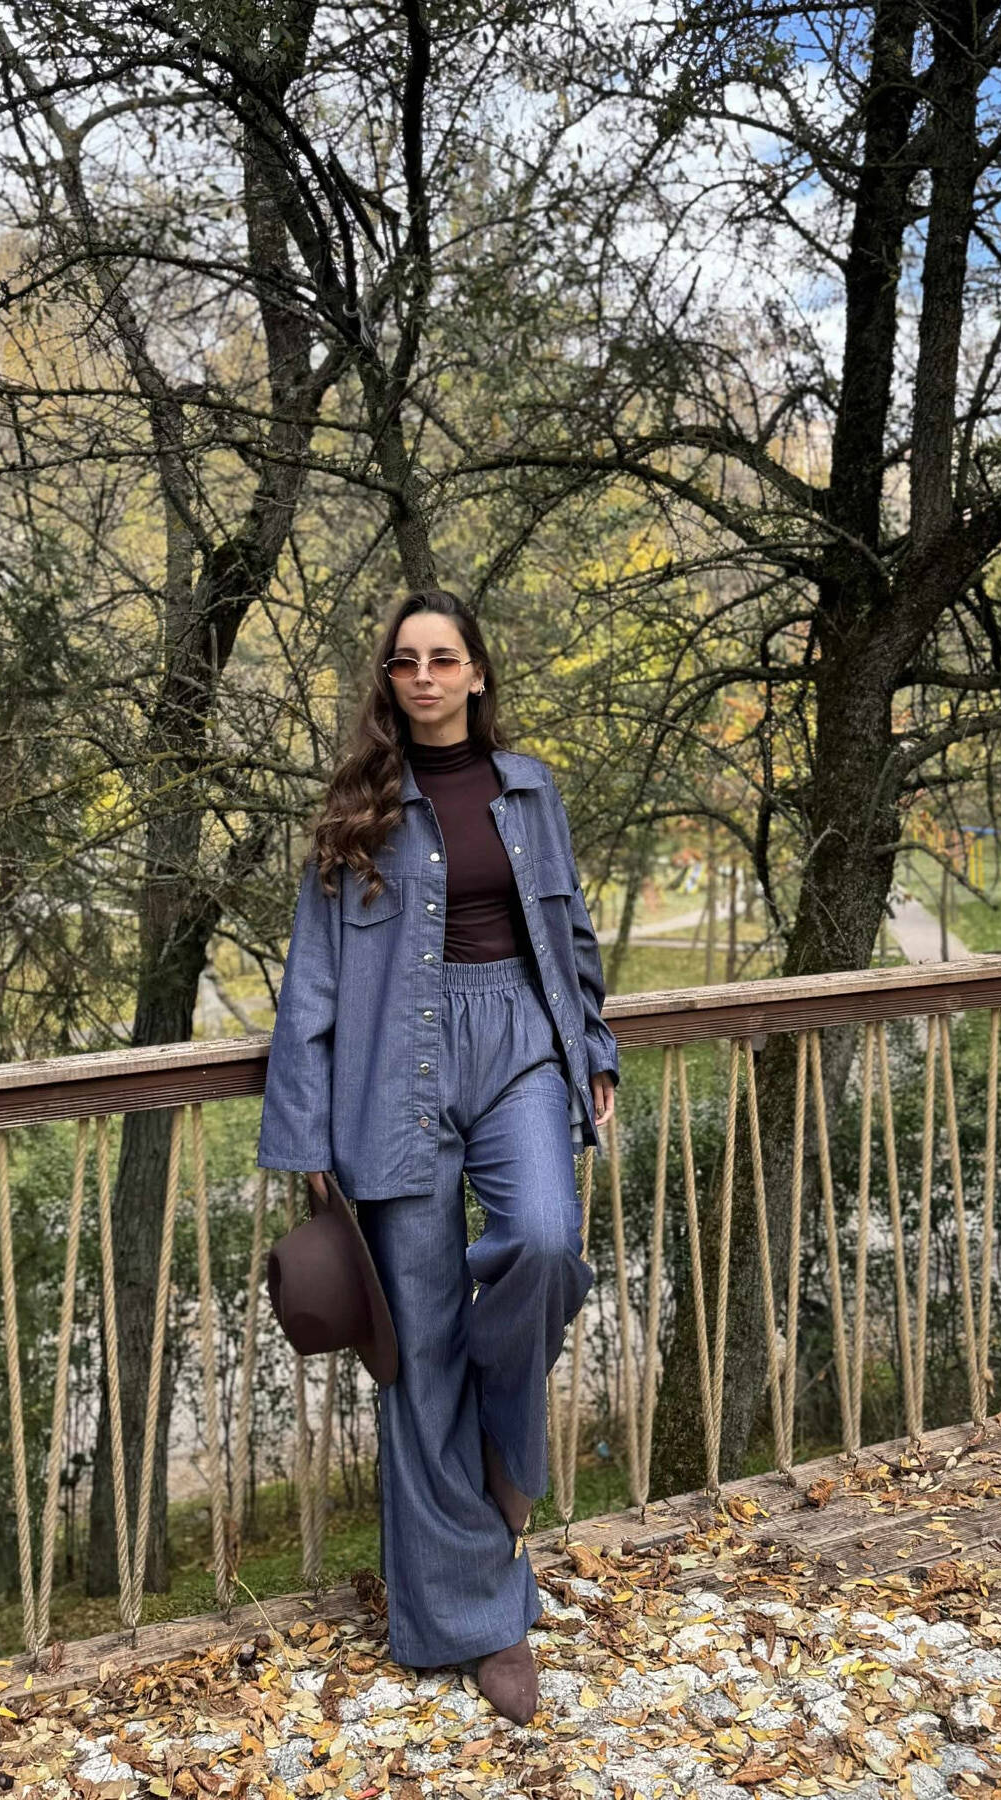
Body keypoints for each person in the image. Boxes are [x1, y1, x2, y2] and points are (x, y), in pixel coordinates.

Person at [257, 588, 619, 1725]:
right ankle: (476, 1621)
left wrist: (595, 1047)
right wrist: (306, 1134)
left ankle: (505, 1445)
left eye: (444, 658)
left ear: (475, 673)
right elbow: (313, 977)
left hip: (518, 1044)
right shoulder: (356, 811)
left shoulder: (531, 790)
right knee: (415, 1349)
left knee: (545, 1243)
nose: (424, 676)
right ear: (391, 680)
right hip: (389, 1076)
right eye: (406, 661)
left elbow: (568, 930)